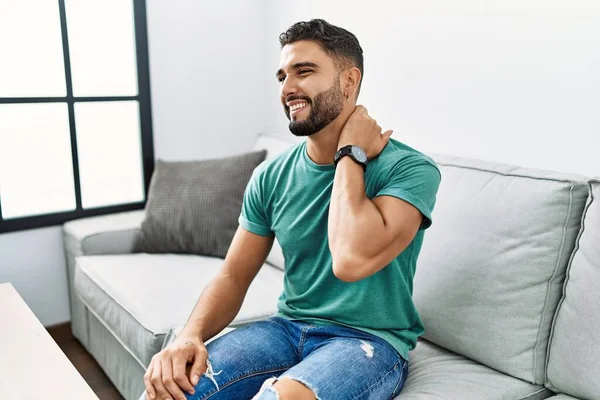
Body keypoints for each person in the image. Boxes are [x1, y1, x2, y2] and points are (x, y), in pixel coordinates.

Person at [142, 18, 441, 400]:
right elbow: (233, 276)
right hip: (286, 329)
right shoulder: (270, 175)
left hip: (367, 342)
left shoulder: (410, 169)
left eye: (304, 71)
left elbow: (349, 260)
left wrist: (350, 154)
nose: (288, 88)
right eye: (282, 76)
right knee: (168, 390)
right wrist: (189, 335)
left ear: (349, 81)